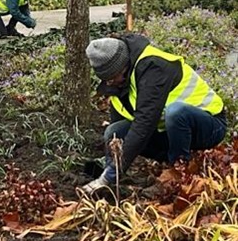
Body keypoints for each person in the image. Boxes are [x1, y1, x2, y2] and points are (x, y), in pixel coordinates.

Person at [81, 34, 227, 196]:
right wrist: (110, 164)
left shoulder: (153, 67)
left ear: (124, 66)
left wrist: (109, 175)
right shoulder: (118, 83)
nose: (111, 83)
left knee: (176, 112)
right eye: (107, 80)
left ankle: (178, 176)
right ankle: (112, 185)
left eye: (113, 77)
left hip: (210, 126)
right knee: (114, 131)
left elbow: (144, 124)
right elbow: (122, 134)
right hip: (171, 133)